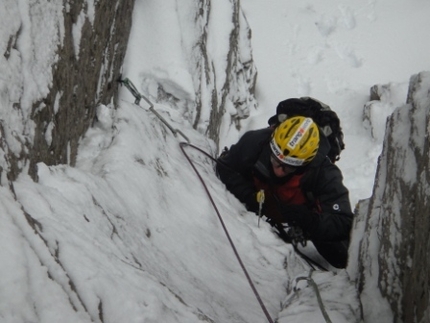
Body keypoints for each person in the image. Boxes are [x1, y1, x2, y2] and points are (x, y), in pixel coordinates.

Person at [216, 111, 353, 269]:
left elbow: (343, 222)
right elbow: (225, 167)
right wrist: (248, 197)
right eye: (275, 160)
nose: (279, 171)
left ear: (304, 164)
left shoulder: (325, 175)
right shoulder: (255, 142)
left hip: (304, 220)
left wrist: (307, 220)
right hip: (261, 202)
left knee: (342, 258)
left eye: (288, 167)